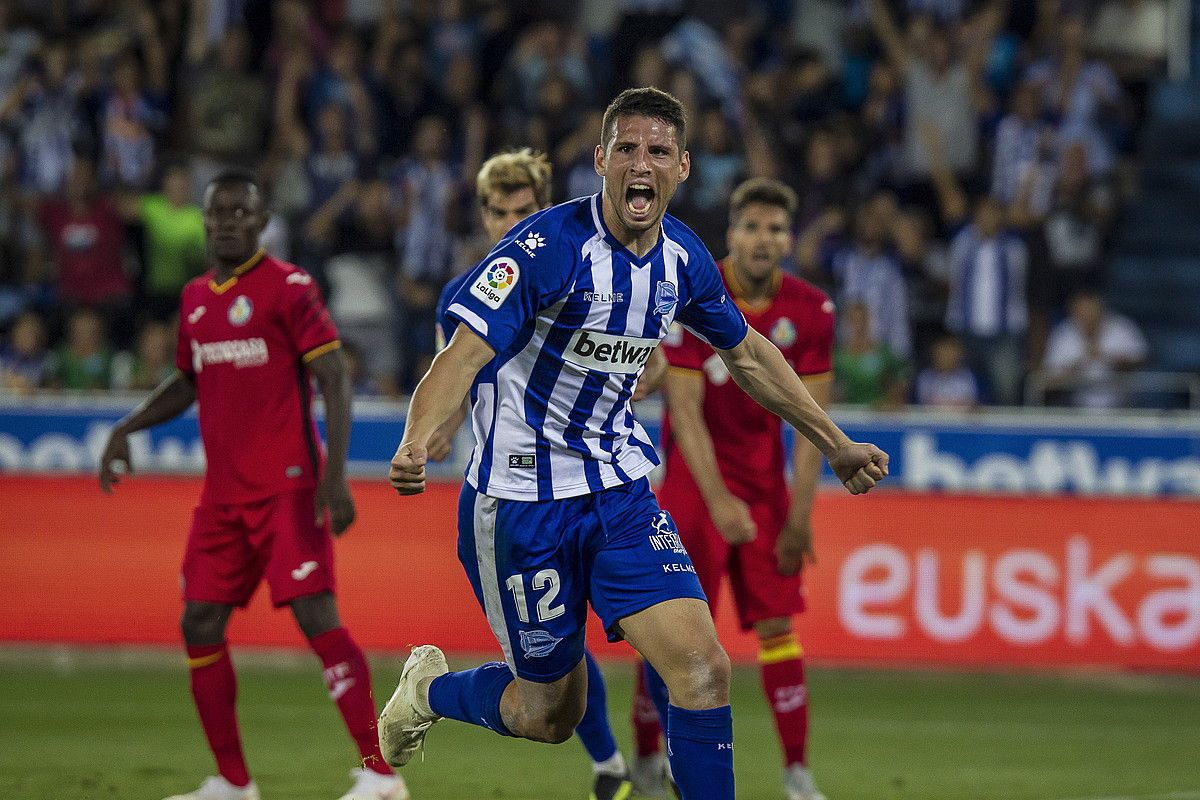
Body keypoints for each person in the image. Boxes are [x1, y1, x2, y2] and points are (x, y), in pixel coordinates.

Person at [381, 87, 888, 800]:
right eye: (626, 149)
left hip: (619, 494)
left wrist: (832, 440)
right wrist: (418, 437)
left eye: (656, 151)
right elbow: (462, 355)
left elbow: (746, 354)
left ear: (681, 166)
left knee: (704, 669)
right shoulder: (544, 248)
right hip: (522, 505)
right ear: (600, 162)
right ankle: (430, 690)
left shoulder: (685, 259)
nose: (640, 163)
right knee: (550, 713)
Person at [98, 172, 408, 800]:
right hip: (222, 498)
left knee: (316, 614)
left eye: (242, 213)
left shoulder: (288, 288)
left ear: (264, 219)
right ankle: (233, 783)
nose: (228, 223)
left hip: (289, 489)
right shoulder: (193, 299)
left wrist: (335, 476)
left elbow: (334, 380)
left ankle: (380, 772)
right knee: (200, 622)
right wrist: (127, 426)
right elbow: (189, 380)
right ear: (206, 220)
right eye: (218, 214)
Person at [429, 147, 648, 800]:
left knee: (615, 633)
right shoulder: (462, 294)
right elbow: (457, 371)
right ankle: (611, 763)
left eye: (523, 210)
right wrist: (435, 431)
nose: (510, 223)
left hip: (593, 481)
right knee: (558, 648)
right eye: (499, 212)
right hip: (516, 490)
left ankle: (614, 764)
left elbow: (649, 360)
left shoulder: (589, 277)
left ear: (544, 207)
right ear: (484, 214)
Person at [631, 177, 836, 800]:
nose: (762, 239)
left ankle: (797, 774)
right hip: (695, 490)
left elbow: (809, 421)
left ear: (788, 239)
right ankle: (645, 763)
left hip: (766, 488)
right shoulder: (695, 288)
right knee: (672, 632)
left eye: (775, 229)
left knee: (778, 626)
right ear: (732, 233)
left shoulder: (811, 310)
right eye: (751, 227)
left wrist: (801, 513)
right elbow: (684, 411)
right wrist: (717, 500)